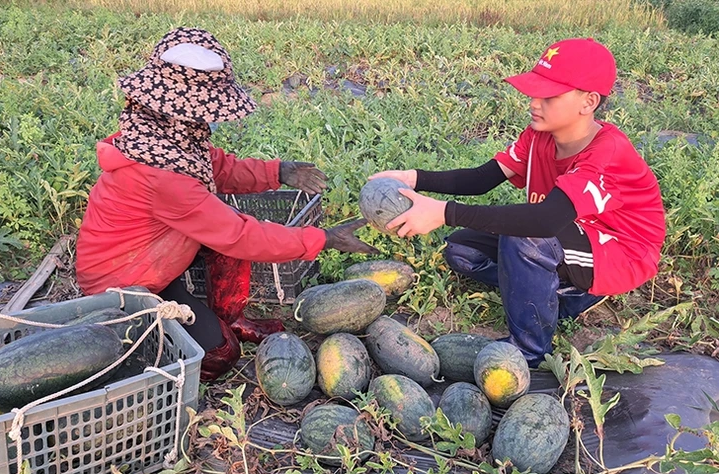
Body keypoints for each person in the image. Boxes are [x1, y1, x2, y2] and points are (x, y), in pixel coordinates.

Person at [76, 27, 376, 381]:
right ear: (181, 109)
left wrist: (277, 171)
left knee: (229, 230)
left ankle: (229, 317)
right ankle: (139, 352)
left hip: (152, 256)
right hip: (123, 285)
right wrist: (323, 239)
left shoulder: (159, 136)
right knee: (221, 355)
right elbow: (240, 236)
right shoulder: (162, 175)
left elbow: (215, 166)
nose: (209, 119)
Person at [369, 38, 665, 367]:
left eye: (548, 96)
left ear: (589, 101)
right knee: (461, 250)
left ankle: (527, 353)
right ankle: (558, 294)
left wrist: (443, 212)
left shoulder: (606, 154)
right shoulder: (539, 135)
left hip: (621, 251)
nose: (534, 103)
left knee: (525, 239)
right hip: (568, 233)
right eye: (534, 92)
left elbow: (543, 221)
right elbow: (482, 179)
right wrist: (414, 178)